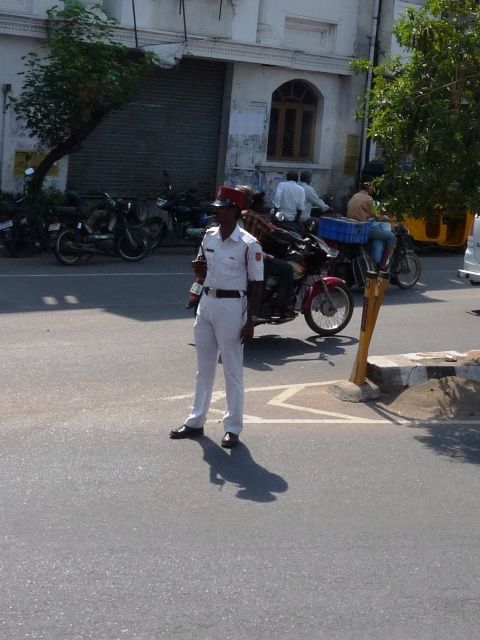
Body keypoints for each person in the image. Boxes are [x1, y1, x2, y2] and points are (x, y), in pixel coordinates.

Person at [170, 186, 264, 449]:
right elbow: (200, 268)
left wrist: (250, 321)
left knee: (233, 370)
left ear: (234, 211)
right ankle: (195, 421)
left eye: (221, 208)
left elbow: (257, 284)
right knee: (204, 369)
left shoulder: (248, 244)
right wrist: (197, 271)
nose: (216, 212)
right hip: (207, 303)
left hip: (232, 307)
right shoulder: (209, 236)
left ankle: (232, 428)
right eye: (216, 208)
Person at [236, 186, 298, 319]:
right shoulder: (257, 218)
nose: (264, 206)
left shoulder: (239, 213)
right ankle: (280, 306)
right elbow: (278, 232)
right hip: (252, 256)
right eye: (262, 203)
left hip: (240, 254)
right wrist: (300, 240)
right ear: (254, 203)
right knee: (287, 268)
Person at [347, 183, 396, 270]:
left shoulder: (355, 195)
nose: (373, 188)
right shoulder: (368, 198)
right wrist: (383, 217)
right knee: (391, 237)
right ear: (368, 187)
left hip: (353, 225)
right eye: (372, 186)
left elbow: (364, 213)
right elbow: (375, 215)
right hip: (363, 228)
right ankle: (383, 265)